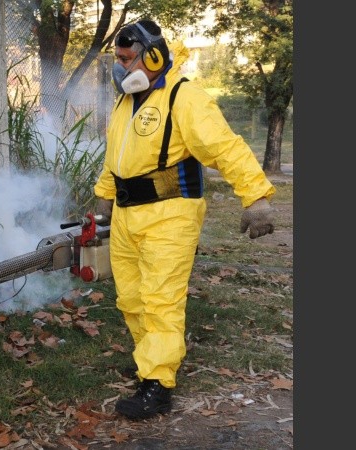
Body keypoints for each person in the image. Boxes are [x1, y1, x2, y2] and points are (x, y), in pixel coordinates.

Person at [91, 19, 276, 420]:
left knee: (160, 300)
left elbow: (225, 146)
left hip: (170, 213)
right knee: (131, 298)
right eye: (118, 60)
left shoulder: (184, 97)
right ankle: (150, 361)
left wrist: (255, 197)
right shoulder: (127, 102)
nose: (119, 69)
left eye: (126, 59)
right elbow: (117, 158)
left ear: (153, 56)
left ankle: (157, 385)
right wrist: (105, 198)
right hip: (127, 215)